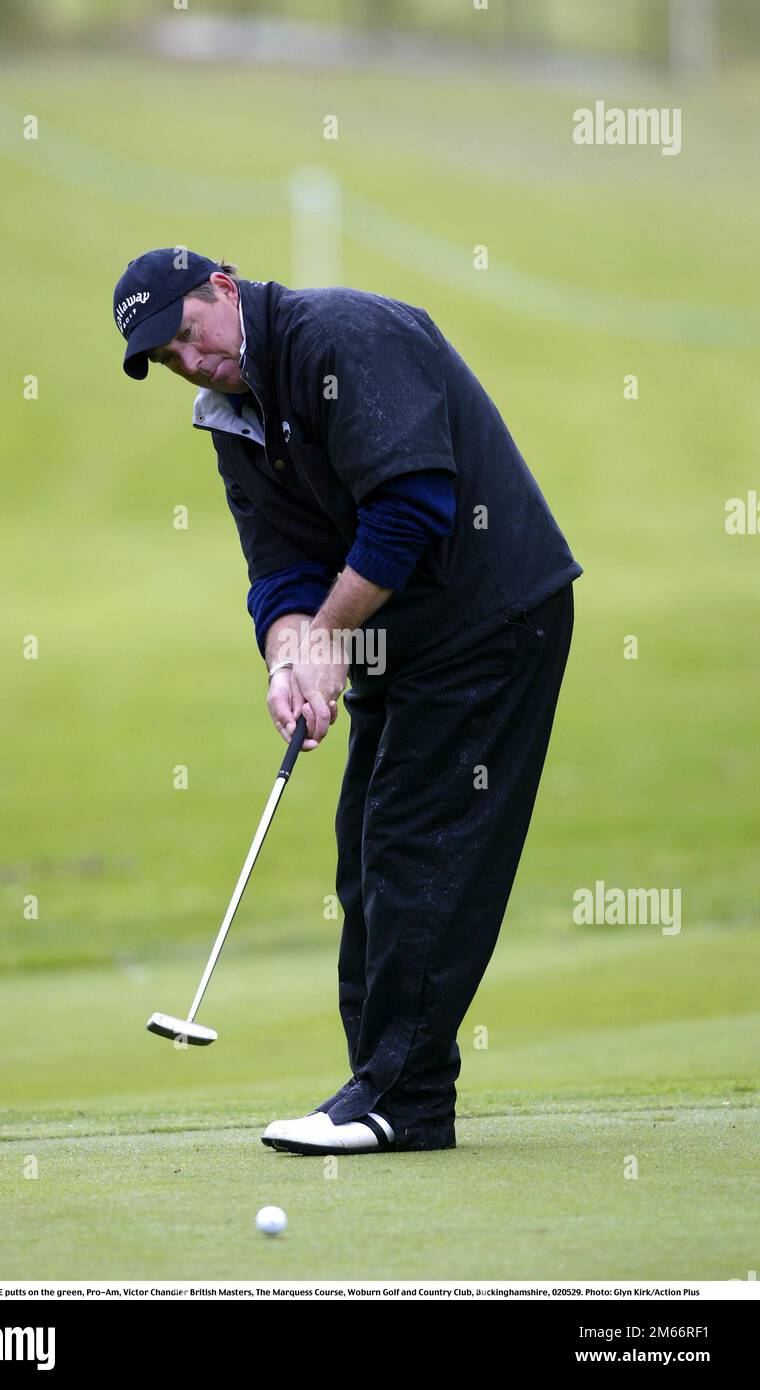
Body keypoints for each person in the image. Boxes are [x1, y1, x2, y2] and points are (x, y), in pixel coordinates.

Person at [112, 247, 582, 1155]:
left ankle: (398, 1103)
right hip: (399, 642)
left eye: (186, 336)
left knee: (417, 846)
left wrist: (329, 640)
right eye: (165, 359)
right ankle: (387, 1091)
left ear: (220, 286)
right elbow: (280, 564)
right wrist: (289, 658)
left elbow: (411, 507)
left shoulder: (340, 336)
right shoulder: (230, 415)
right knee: (364, 853)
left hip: (492, 618)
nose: (188, 363)